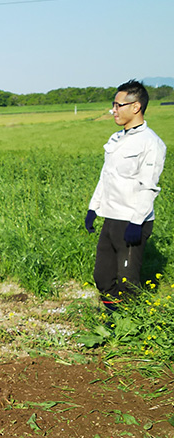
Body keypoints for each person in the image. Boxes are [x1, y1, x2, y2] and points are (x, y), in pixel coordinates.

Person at [85, 80, 166, 311]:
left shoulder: (151, 143)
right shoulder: (116, 139)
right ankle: (114, 316)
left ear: (136, 107)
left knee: (127, 282)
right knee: (102, 276)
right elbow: (105, 176)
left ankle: (130, 325)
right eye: (114, 105)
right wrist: (93, 208)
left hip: (132, 221)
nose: (114, 110)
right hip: (111, 217)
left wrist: (137, 222)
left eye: (118, 105)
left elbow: (148, 186)